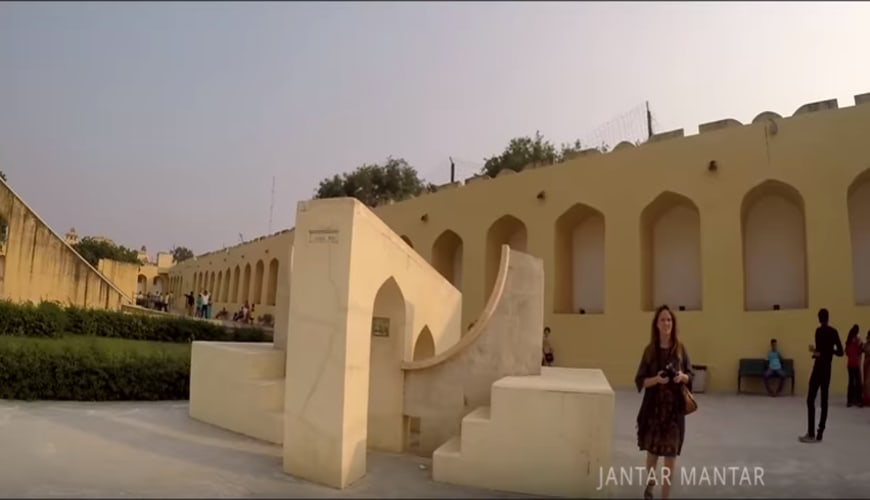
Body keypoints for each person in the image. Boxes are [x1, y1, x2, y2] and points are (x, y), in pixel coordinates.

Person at [635, 305, 694, 500]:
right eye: (663, 320)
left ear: (673, 324)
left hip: (674, 411)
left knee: (671, 455)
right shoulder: (650, 351)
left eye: (669, 320)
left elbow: (690, 374)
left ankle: (664, 497)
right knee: (653, 453)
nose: (666, 323)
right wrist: (657, 380)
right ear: (656, 324)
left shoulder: (680, 349)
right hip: (654, 410)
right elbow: (640, 379)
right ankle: (650, 484)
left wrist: (681, 377)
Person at [800, 308, 843, 443]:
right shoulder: (834, 332)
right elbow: (841, 352)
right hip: (827, 370)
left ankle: (811, 433)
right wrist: (830, 351)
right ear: (828, 318)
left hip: (818, 368)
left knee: (810, 399)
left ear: (819, 318)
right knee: (824, 400)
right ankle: (820, 432)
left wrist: (815, 351)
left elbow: (820, 352)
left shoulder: (819, 332)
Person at [844, 325, 863, 407]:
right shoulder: (857, 340)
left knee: (851, 382)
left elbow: (847, 352)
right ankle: (859, 401)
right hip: (855, 364)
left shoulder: (848, 341)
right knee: (858, 382)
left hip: (849, 364)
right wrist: (860, 345)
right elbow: (859, 351)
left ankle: (849, 401)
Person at [863, 330, 870, 406]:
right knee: (866, 381)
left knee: (867, 381)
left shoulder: (866, 344)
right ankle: (867, 398)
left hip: (867, 363)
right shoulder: (866, 344)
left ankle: (867, 398)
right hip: (867, 363)